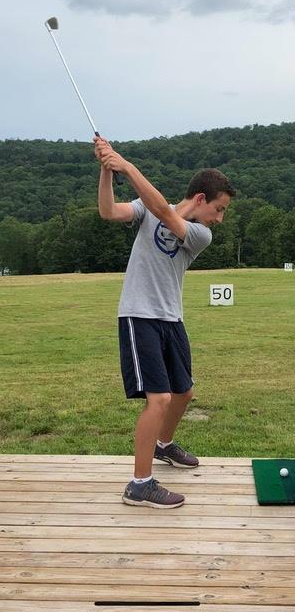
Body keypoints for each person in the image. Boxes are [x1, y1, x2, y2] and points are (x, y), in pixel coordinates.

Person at [94, 137, 236, 509]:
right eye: (219, 209)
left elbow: (165, 212)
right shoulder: (144, 208)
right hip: (139, 315)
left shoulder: (200, 235)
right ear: (202, 198)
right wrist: (107, 171)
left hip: (171, 318)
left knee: (184, 392)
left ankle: (163, 445)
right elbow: (108, 212)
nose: (219, 219)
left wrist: (126, 165)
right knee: (158, 398)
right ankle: (139, 485)